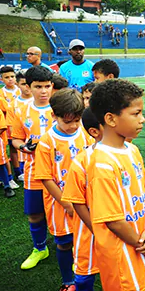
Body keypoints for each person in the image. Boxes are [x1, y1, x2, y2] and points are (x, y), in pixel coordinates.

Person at [88, 79, 145, 290]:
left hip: (143, 244)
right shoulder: (102, 164)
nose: (142, 119)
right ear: (111, 119)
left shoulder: (132, 150)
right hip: (123, 256)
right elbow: (113, 221)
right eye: (136, 113)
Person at [34, 88, 93, 290]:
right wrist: (66, 202)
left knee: (86, 238)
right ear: (54, 116)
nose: (73, 126)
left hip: (85, 200)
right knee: (65, 241)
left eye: (77, 120)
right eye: (67, 122)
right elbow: (45, 177)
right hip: (61, 204)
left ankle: (89, 270)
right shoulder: (46, 142)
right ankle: (68, 281)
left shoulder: (85, 134)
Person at [11, 66, 55, 270]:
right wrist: (23, 147)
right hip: (34, 170)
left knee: (71, 211)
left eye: (47, 86)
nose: (44, 91)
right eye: (38, 87)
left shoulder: (61, 106)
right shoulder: (20, 109)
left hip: (62, 171)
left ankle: (75, 249)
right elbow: (16, 138)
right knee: (35, 214)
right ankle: (40, 248)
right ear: (28, 87)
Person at [61, 107, 102, 290]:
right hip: (88, 230)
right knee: (84, 275)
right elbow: (76, 202)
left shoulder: (131, 152)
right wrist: (95, 228)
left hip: (122, 228)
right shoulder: (82, 161)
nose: (141, 120)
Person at [6, 69, 33, 184]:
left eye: (29, 84)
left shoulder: (42, 101)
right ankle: (18, 171)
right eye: (23, 84)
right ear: (17, 84)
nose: (27, 87)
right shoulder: (13, 105)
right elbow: (13, 130)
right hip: (24, 149)